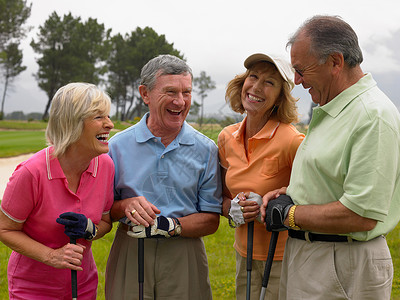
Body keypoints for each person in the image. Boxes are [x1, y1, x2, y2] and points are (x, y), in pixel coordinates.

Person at [261, 15, 400, 300]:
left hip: (342, 262)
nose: (297, 81)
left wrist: (289, 215)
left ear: (335, 62)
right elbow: (334, 177)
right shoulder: (336, 106)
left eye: (301, 70)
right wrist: (293, 193)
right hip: (318, 255)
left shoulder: (372, 116)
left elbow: (361, 214)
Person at [105, 54, 222, 300]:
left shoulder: (206, 149)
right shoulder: (116, 147)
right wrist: (125, 206)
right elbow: (104, 212)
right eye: (170, 92)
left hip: (184, 250)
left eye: (186, 92)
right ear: (145, 94)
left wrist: (170, 226)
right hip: (131, 248)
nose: (180, 102)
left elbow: (211, 219)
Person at [0, 82, 115, 299]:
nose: (109, 124)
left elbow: (105, 222)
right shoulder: (31, 173)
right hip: (32, 289)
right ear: (71, 123)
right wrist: (52, 256)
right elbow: (5, 229)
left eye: (108, 116)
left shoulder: (106, 166)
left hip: (84, 285)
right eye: (98, 117)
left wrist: (89, 229)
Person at [218, 53, 304, 299]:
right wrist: (230, 209)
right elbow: (223, 197)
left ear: (280, 97)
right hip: (243, 253)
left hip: (281, 257)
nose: (256, 87)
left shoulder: (292, 141)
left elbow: (312, 195)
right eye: (253, 76)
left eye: (269, 82)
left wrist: (272, 205)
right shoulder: (226, 137)